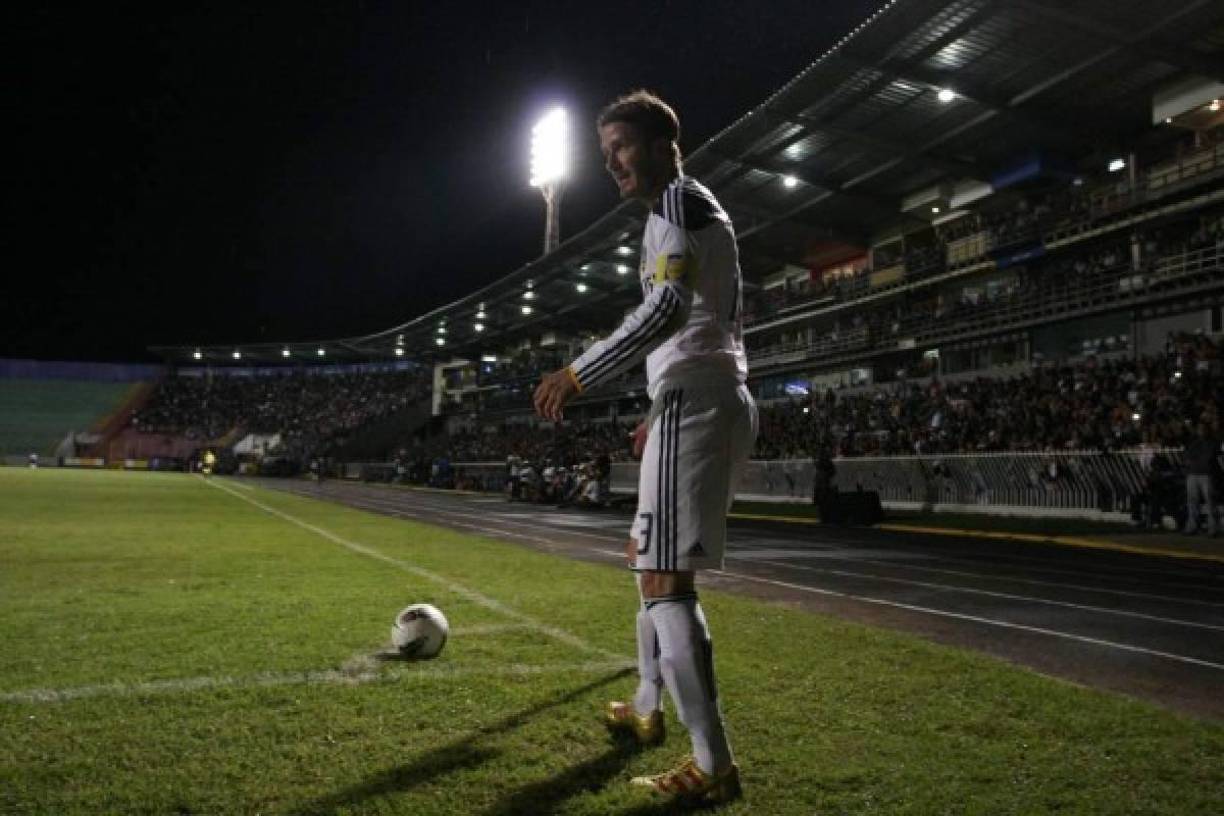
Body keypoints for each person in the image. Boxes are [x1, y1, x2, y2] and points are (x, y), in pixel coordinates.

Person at [533, 90, 755, 804]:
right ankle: (647, 705)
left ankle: (713, 764)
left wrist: (577, 373)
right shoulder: (679, 210)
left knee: (665, 581)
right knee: (647, 564)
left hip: (697, 398)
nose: (611, 164)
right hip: (690, 397)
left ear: (664, 145)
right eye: (604, 153)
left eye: (621, 147)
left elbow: (667, 309)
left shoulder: (679, 203)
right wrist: (658, 407)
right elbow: (698, 319)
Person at [1182, 421, 1221, 536]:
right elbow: (1187, 456)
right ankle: (1192, 526)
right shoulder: (1194, 443)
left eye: (1203, 428)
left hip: (1206, 474)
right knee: (1192, 501)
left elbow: (1209, 457)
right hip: (1194, 474)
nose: (1201, 431)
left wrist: (1196, 461)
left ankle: (1213, 528)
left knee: (1210, 501)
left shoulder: (1213, 443)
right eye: (1199, 429)